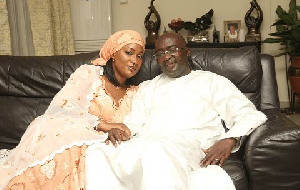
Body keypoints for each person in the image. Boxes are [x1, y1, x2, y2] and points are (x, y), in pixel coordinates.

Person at [84, 32, 267, 189]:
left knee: (155, 150)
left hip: (188, 144)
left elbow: (248, 113)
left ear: (187, 52)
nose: (167, 56)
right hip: (146, 142)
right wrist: (121, 131)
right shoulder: (148, 87)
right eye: (161, 53)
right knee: (97, 152)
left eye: (172, 50)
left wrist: (230, 138)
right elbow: (135, 122)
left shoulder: (212, 81)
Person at [0, 30, 145, 189]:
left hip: (102, 148)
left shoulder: (136, 93)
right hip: (72, 133)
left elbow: (136, 125)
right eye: (129, 53)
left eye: (139, 56)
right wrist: (103, 125)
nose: (134, 61)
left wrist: (121, 132)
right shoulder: (89, 74)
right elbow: (62, 108)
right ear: (113, 53)